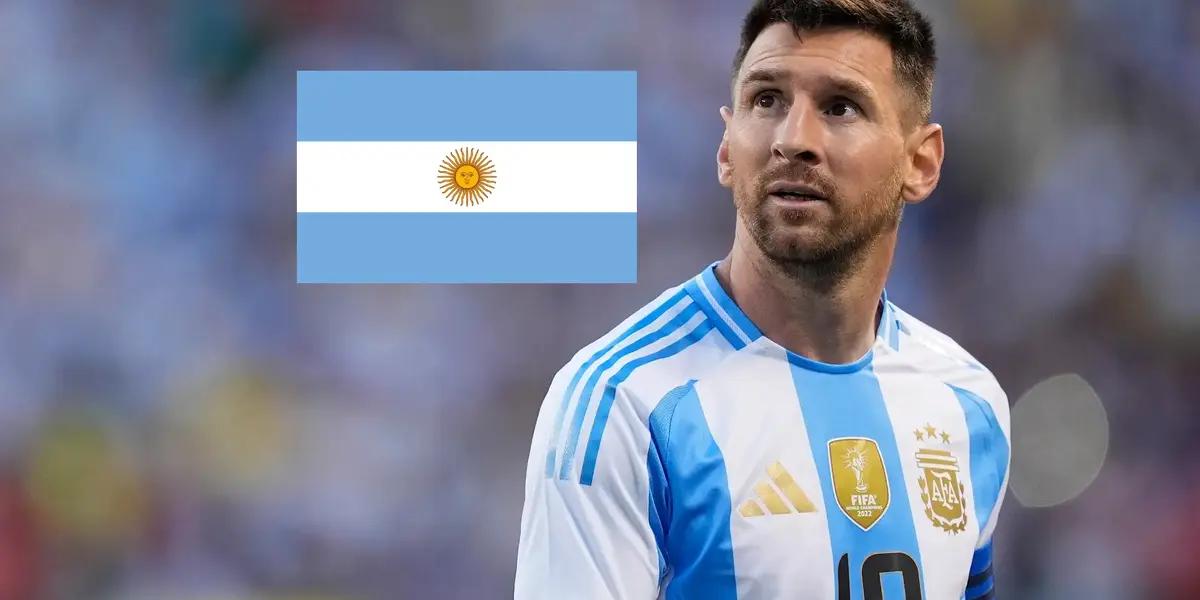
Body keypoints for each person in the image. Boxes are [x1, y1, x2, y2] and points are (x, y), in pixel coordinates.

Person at [515, 0, 1009, 597]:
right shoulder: (623, 405)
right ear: (727, 147)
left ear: (920, 162)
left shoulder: (968, 402)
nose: (793, 139)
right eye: (766, 100)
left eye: (840, 107)